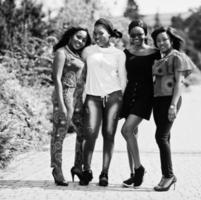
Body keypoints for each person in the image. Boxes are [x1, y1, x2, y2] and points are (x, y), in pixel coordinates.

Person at [80, 18, 127, 187]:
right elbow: (79, 70)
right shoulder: (88, 51)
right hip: (93, 97)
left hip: (114, 97)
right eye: (95, 33)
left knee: (108, 135)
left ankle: (104, 173)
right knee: (90, 134)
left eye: (101, 33)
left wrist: (123, 100)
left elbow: (123, 78)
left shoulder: (119, 54)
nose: (97, 36)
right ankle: (86, 170)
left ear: (109, 34)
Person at [151, 26, 195, 191]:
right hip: (157, 101)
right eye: (158, 40)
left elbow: (179, 82)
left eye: (164, 39)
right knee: (165, 138)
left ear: (171, 40)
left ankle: (168, 175)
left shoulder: (178, 57)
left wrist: (173, 105)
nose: (161, 42)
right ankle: (167, 175)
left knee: (160, 137)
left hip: (170, 100)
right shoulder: (160, 58)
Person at [120, 19, 160, 188]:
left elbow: (163, 71)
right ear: (129, 35)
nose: (137, 37)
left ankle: (139, 169)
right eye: (133, 34)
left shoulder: (154, 52)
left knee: (126, 130)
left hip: (145, 95)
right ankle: (133, 174)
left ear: (146, 34)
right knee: (132, 134)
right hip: (129, 94)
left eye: (140, 34)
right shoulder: (126, 52)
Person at [50, 27, 91, 186]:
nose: (80, 41)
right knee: (59, 135)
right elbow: (57, 79)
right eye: (78, 37)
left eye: (83, 40)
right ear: (70, 35)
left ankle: (77, 166)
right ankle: (57, 169)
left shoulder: (78, 55)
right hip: (65, 97)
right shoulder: (62, 53)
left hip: (78, 99)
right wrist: (61, 104)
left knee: (83, 133)